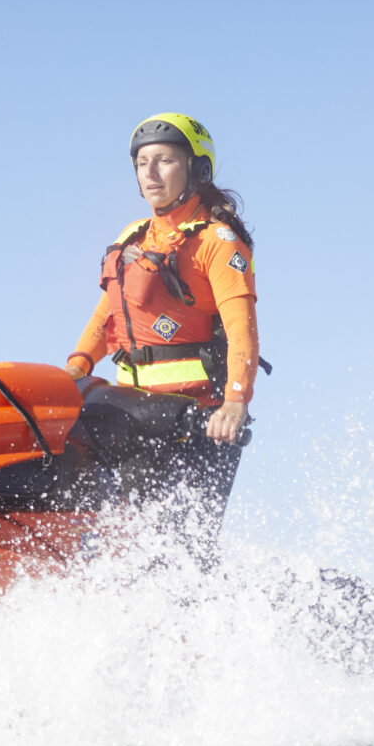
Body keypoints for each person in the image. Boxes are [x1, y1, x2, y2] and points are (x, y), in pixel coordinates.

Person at [64, 113, 262, 551]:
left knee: (180, 550)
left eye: (165, 161)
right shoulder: (133, 237)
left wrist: (234, 403)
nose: (150, 173)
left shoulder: (219, 241)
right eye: (141, 163)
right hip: (127, 412)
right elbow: (107, 317)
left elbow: (241, 329)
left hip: (198, 420)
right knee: (115, 537)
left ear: (197, 169)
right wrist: (76, 366)